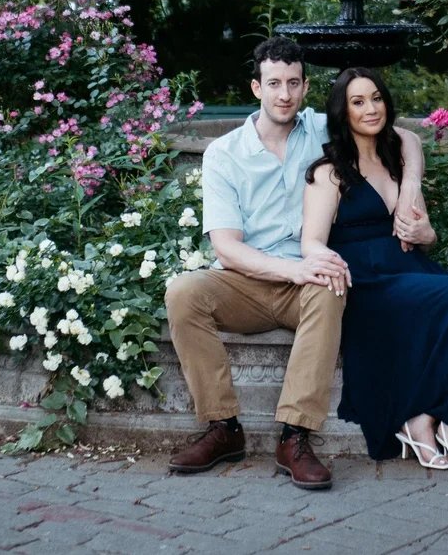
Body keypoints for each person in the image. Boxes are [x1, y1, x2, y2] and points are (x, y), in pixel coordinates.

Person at [165, 37, 427, 489]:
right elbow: (226, 248)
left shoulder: (323, 129)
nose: (283, 94)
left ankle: (295, 436)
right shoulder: (224, 154)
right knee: (182, 292)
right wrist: (293, 269)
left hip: (309, 281)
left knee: (329, 285)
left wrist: (407, 193)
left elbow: (407, 138)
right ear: (256, 88)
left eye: (292, 83)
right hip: (247, 280)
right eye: (273, 84)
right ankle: (223, 428)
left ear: (305, 87)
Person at [302, 66, 448, 473]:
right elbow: (312, 242)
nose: (370, 108)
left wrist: (427, 232)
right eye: (358, 102)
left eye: (376, 97)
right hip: (369, 280)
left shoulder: (399, 152)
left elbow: (423, 227)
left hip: (412, 265)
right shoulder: (329, 172)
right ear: (343, 112)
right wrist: (327, 268)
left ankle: (422, 420)